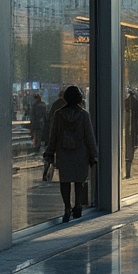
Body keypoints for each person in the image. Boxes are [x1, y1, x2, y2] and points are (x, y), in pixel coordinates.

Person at [44, 85, 98, 221]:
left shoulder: (59, 115)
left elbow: (54, 136)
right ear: (80, 98)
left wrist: (50, 153)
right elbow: (89, 136)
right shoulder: (84, 115)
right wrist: (93, 154)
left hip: (63, 153)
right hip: (80, 153)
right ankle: (78, 206)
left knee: (65, 181)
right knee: (79, 181)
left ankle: (67, 208)